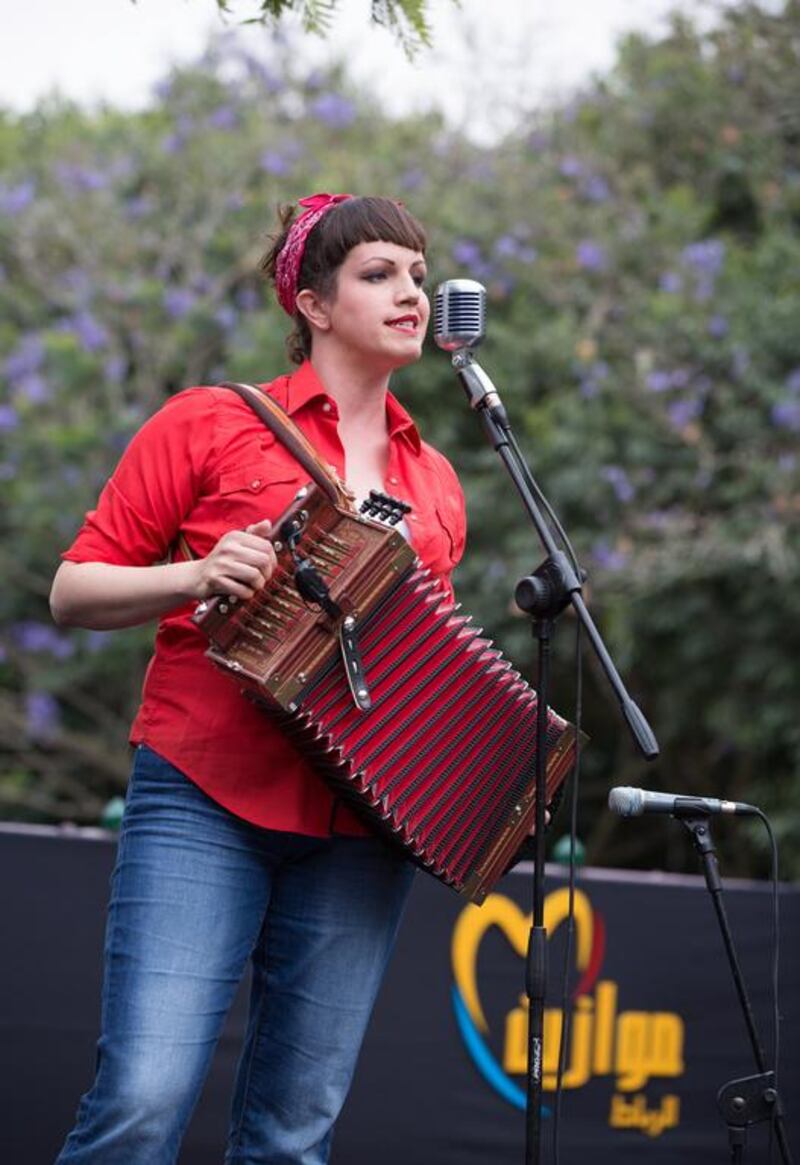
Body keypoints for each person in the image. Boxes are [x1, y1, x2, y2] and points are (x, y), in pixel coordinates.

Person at [49, 193, 467, 1165]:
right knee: (141, 1103)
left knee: (292, 1135)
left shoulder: (438, 480)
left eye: (415, 273)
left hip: (362, 829)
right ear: (313, 306)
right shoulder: (212, 421)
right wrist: (194, 576)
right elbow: (74, 589)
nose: (409, 292)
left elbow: (417, 665)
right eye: (377, 274)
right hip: (203, 795)